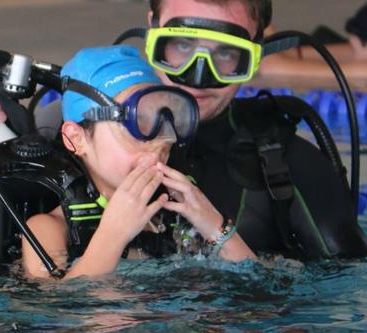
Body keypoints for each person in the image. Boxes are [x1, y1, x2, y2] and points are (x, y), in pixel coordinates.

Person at [0, 0, 367, 261]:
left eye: (226, 54)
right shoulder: (66, 127)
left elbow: (344, 301)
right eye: (182, 46)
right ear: (152, 30)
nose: (199, 76)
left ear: (256, 52)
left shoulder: (287, 165)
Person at [21, 46, 255, 279]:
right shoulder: (48, 229)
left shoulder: (175, 216)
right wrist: (113, 235)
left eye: (166, 120)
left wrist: (215, 225)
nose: (163, 139)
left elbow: (256, 289)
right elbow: (60, 310)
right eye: (137, 123)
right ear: (76, 138)